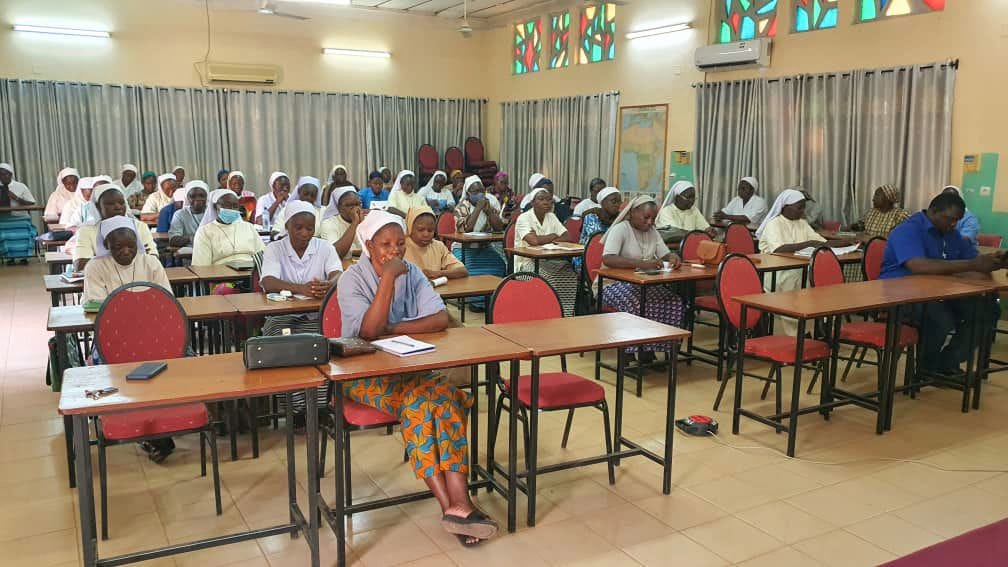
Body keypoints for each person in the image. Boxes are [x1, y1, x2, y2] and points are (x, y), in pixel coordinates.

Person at [338, 210, 497, 546]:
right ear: (368, 245)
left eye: (399, 243)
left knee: (438, 396)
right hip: (362, 374)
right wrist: (387, 280)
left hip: (411, 368)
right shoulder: (351, 279)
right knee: (426, 400)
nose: (395, 251)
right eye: (385, 244)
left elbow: (439, 318)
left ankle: (455, 505)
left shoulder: (412, 272)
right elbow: (367, 332)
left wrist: (393, 328)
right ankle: (457, 505)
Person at [82, 215, 176, 462]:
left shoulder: (151, 263)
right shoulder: (95, 267)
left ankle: (159, 425)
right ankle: (149, 431)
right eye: (118, 247)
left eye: (131, 246)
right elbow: (97, 308)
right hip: (114, 337)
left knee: (178, 363)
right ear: (106, 246)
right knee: (125, 374)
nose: (126, 252)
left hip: (154, 334)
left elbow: (166, 299)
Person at [880, 192, 1004, 375]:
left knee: (987, 309)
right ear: (933, 211)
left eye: (957, 220)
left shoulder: (951, 234)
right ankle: (926, 368)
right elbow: (918, 266)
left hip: (939, 292)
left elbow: (974, 261)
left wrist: (993, 262)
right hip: (900, 295)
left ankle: (946, 363)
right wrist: (972, 265)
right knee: (940, 318)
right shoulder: (907, 230)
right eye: (949, 218)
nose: (953, 224)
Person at [599, 195, 685, 363]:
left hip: (642, 284)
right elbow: (608, 259)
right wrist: (642, 264)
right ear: (632, 213)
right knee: (637, 304)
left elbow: (664, 254)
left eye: (653, 218)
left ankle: (650, 349)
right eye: (646, 217)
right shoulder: (620, 229)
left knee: (674, 301)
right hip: (612, 284)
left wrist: (673, 257)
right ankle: (629, 352)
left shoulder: (652, 231)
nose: (650, 222)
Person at [756, 188, 853, 335]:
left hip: (800, 268)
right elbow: (779, 249)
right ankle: (798, 332)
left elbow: (821, 243)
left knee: (823, 278)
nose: (802, 211)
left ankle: (822, 323)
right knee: (796, 278)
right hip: (776, 272)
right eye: (799, 207)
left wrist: (847, 243)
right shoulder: (774, 224)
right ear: (786, 206)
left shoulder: (802, 223)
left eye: (803, 208)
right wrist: (808, 244)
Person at [514, 186, 578, 316]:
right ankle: (548, 314)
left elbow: (567, 237)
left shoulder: (551, 216)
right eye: (541, 199)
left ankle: (565, 313)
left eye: (549, 200)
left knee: (569, 273)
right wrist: (554, 235)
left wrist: (542, 238)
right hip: (526, 264)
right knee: (549, 279)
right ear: (533, 202)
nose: (546, 202)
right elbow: (533, 241)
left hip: (549, 260)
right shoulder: (524, 218)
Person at [72, 183, 158, 271]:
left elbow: (153, 260)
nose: (118, 207)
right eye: (110, 204)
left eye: (121, 203)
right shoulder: (86, 230)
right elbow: (80, 265)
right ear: (97, 207)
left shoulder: (140, 226)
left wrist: (100, 261)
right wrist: (132, 260)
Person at [453, 176, 507, 311]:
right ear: (468, 193)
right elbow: (467, 229)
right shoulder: (460, 208)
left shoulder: (488, 206)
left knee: (499, 265)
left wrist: (488, 211)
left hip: (484, 248)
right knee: (469, 270)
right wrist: (478, 208)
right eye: (475, 191)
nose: (480, 194)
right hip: (464, 249)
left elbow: (499, 228)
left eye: (482, 191)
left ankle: (490, 301)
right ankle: (475, 302)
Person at [192, 189, 265, 267]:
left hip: (251, 270)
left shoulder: (248, 227)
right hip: (221, 272)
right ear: (215, 206)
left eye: (235, 206)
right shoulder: (204, 232)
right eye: (227, 205)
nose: (232, 209)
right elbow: (201, 266)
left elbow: (262, 254)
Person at [405, 206, 468, 281]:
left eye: (430, 230)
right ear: (410, 228)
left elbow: (462, 271)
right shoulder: (400, 246)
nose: (426, 234)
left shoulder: (438, 246)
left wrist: (437, 273)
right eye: (420, 230)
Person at [573, 186, 621, 273]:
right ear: (602, 203)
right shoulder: (591, 216)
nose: (617, 205)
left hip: (608, 258)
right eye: (613, 201)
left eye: (619, 202)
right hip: (586, 258)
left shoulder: (619, 218)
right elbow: (598, 239)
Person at [0, 163, 38, 265]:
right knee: (2, 232)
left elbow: (31, 202)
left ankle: (24, 257)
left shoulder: (20, 186)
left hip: (20, 217)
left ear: (11, 174)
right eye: (1, 174)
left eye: (5, 174)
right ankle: (9, 258)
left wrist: (16, 198)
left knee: (24, 230)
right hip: (3, 219)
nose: (3, 176)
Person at [319, 185, 363, 260]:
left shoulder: (367, 220)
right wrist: (354, 223)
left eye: (357, 204)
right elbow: (336, 253)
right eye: (349, 205)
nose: (355, 208)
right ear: (339, 208)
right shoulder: (329, 223)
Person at [168, 181, 208, 248]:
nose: (197, 199)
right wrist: (192, 239)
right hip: (189, 252)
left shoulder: (214, 213)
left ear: (207, 197)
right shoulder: (180, 214)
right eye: (193, 196)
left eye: (201, 196)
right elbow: (173, 240)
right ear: (187, 198)